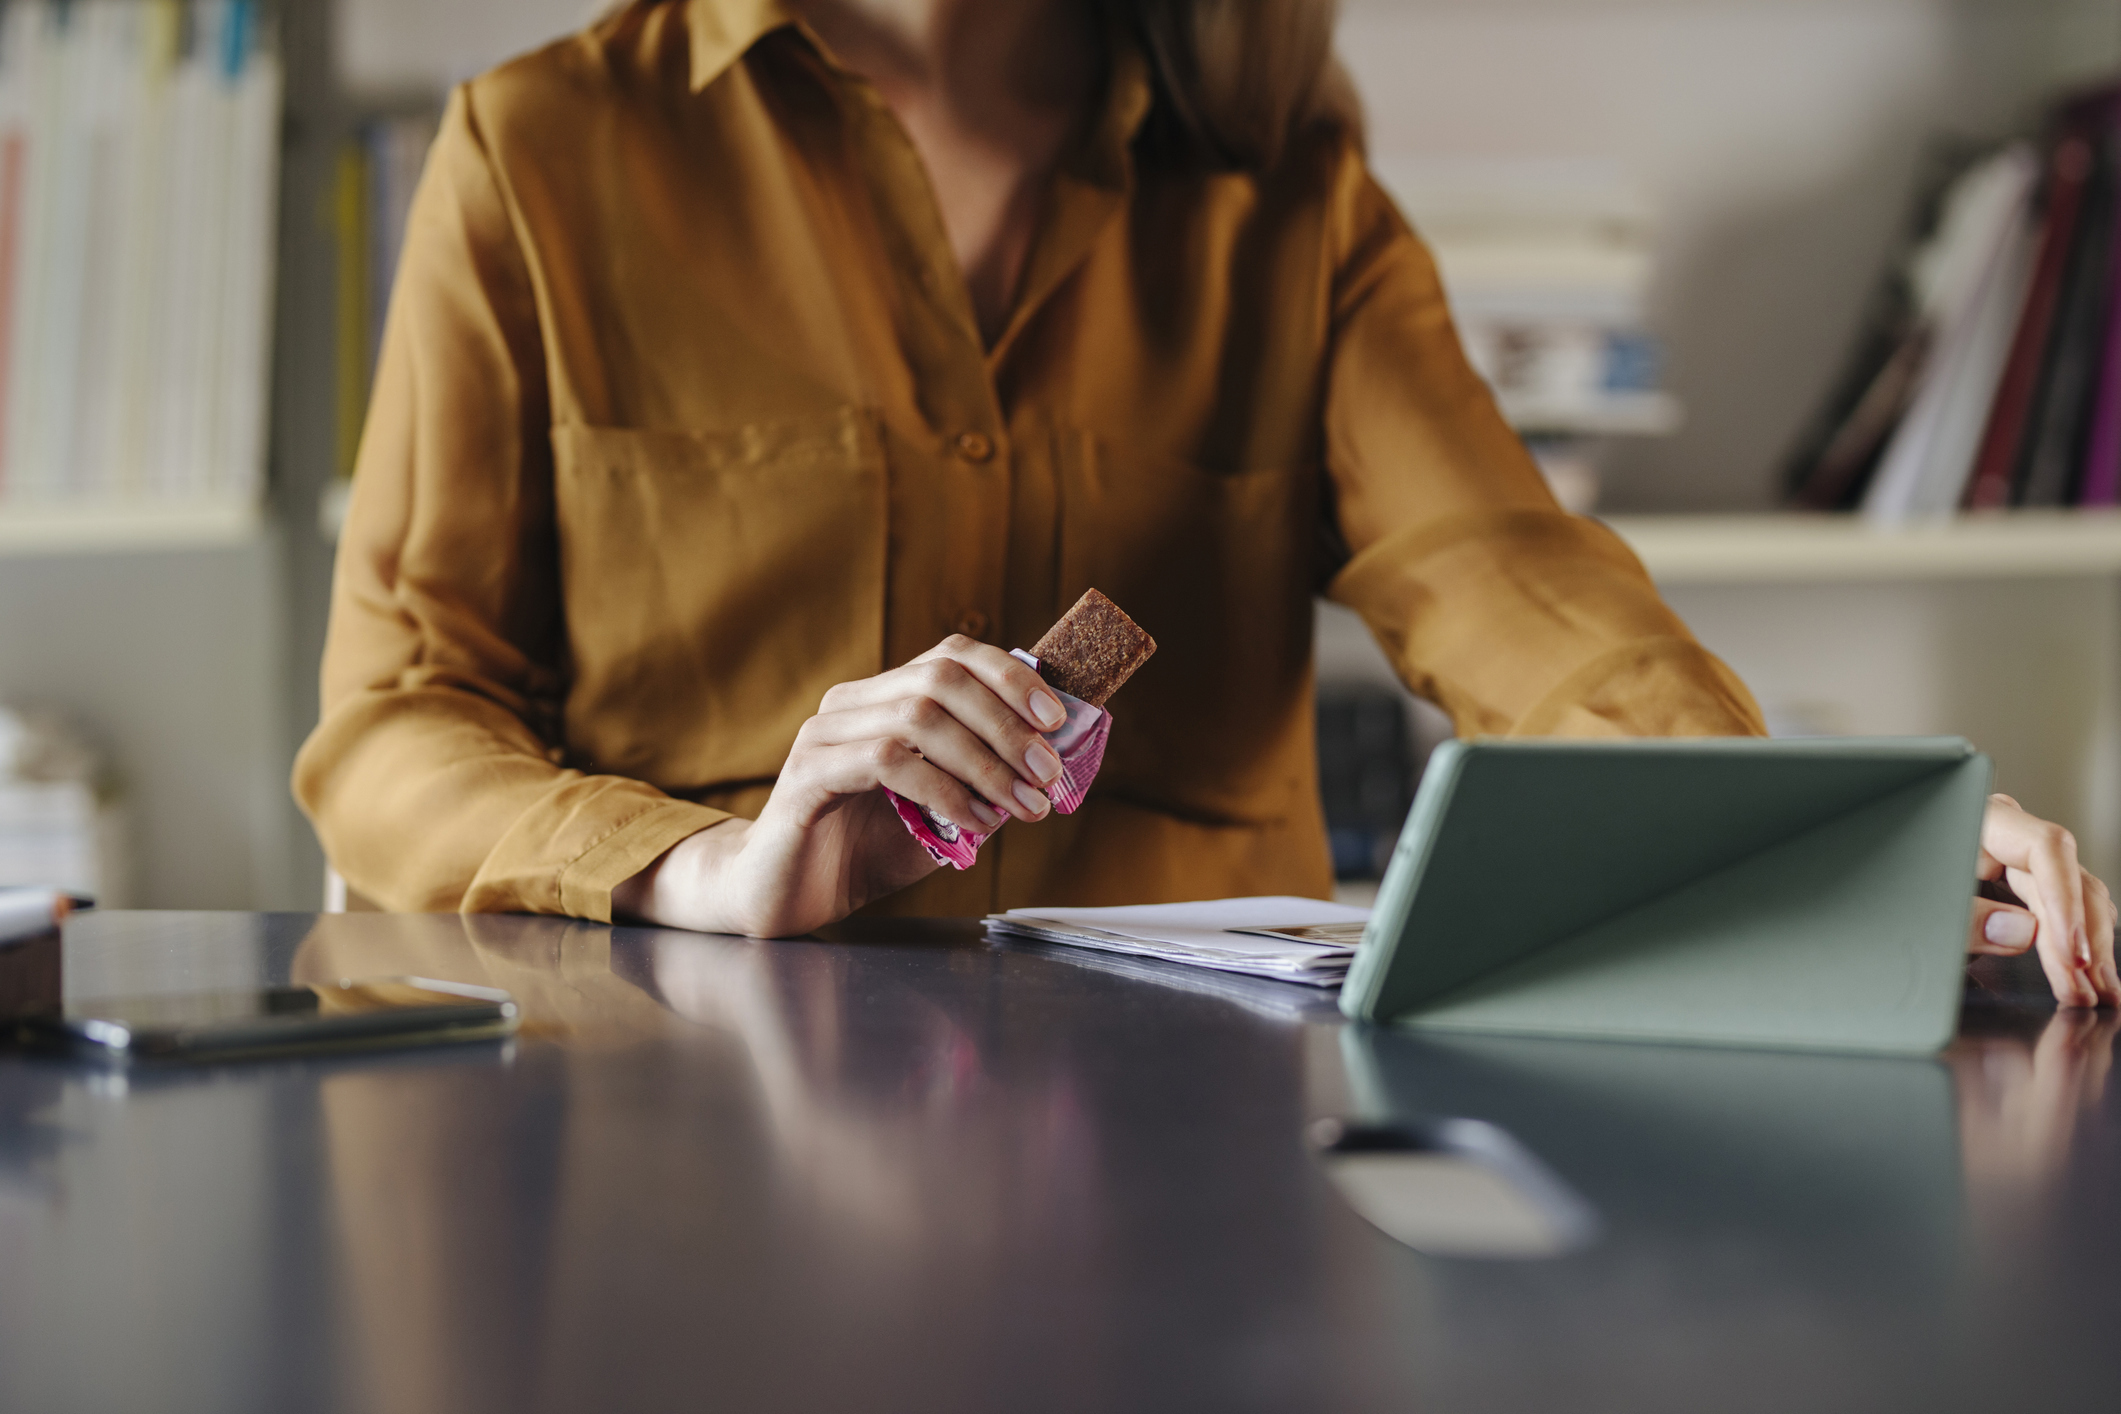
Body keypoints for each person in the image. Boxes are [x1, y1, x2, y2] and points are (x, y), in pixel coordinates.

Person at [293, 0, 2118, 1009]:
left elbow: (1501, 571)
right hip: (686, 1117)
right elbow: (391, 726)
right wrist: (700, 863)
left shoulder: (1286, 186)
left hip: (1198, 1151)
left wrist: (1805, 833)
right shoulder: (540, 156)